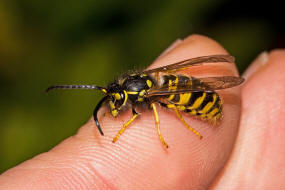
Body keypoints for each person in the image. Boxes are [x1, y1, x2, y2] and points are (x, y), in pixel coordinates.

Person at [0, 35, 284, 190]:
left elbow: (153, 109)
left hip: (202, 101)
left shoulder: (146, 95)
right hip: (187, 93)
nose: (115, 105)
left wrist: (158, 132)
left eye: (118, 99)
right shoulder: (137, 87)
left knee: (170, 102)